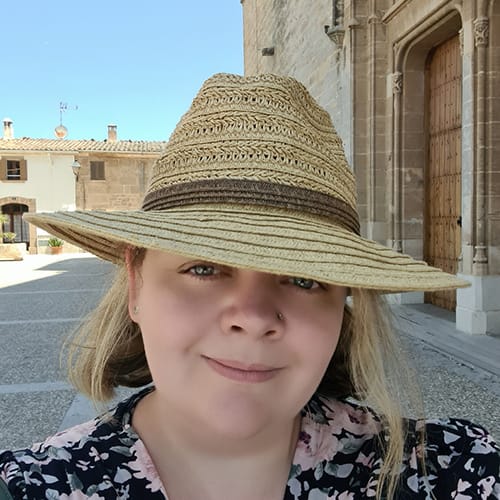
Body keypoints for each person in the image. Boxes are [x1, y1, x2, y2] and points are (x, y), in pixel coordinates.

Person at [0, 73, 498, 500]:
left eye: (304, 279)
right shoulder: (29, 486)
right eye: (204, 268)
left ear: (344, 307)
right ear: (135, 286)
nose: (254, 316)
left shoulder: (452, 475)